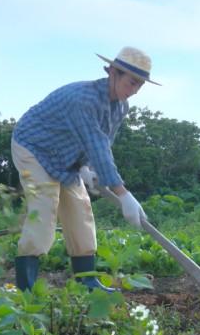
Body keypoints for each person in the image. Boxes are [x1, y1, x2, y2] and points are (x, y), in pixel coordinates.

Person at [11, 46, 159, 292]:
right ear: (112, 72)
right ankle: (25, 290)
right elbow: (97, 145)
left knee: (81, 210)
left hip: (68, 158)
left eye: (139, 86)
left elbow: (104, 143)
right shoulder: (82, 99)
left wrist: (87, 168)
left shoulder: (120, 106)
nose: (133, 91)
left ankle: (87, 281)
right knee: (45, 207)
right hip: (34, 148)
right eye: (131, 82)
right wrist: (123, 194)